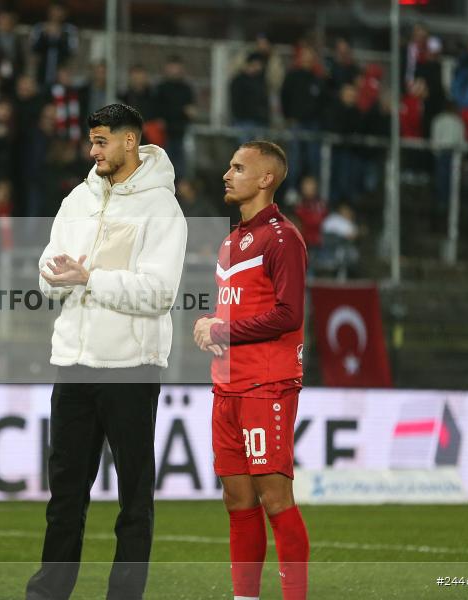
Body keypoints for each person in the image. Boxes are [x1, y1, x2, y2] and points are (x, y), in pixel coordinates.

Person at [26, 104, 187, 600]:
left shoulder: (163, 209)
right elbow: (44, 273)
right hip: (73, 363)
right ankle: (48, 593)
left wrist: (89, 278)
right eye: (91, 141)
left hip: (131, 369)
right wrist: (54, 278)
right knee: (64, 496)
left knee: (133, 499)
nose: (92, 150)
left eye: (101, 141)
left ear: (129, 142)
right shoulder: (77, 198)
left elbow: (160, 292)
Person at [193, 141, 310, 600]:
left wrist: (222, 328)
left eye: (239, 167)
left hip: (267, 384)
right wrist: (210, 326)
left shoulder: (283, 237)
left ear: (266, 179)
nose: (227, 173)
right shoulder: (229, 241)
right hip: (228, 387)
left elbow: (288, 314)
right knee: (237, 501)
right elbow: (237, 310)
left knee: (275, 499)